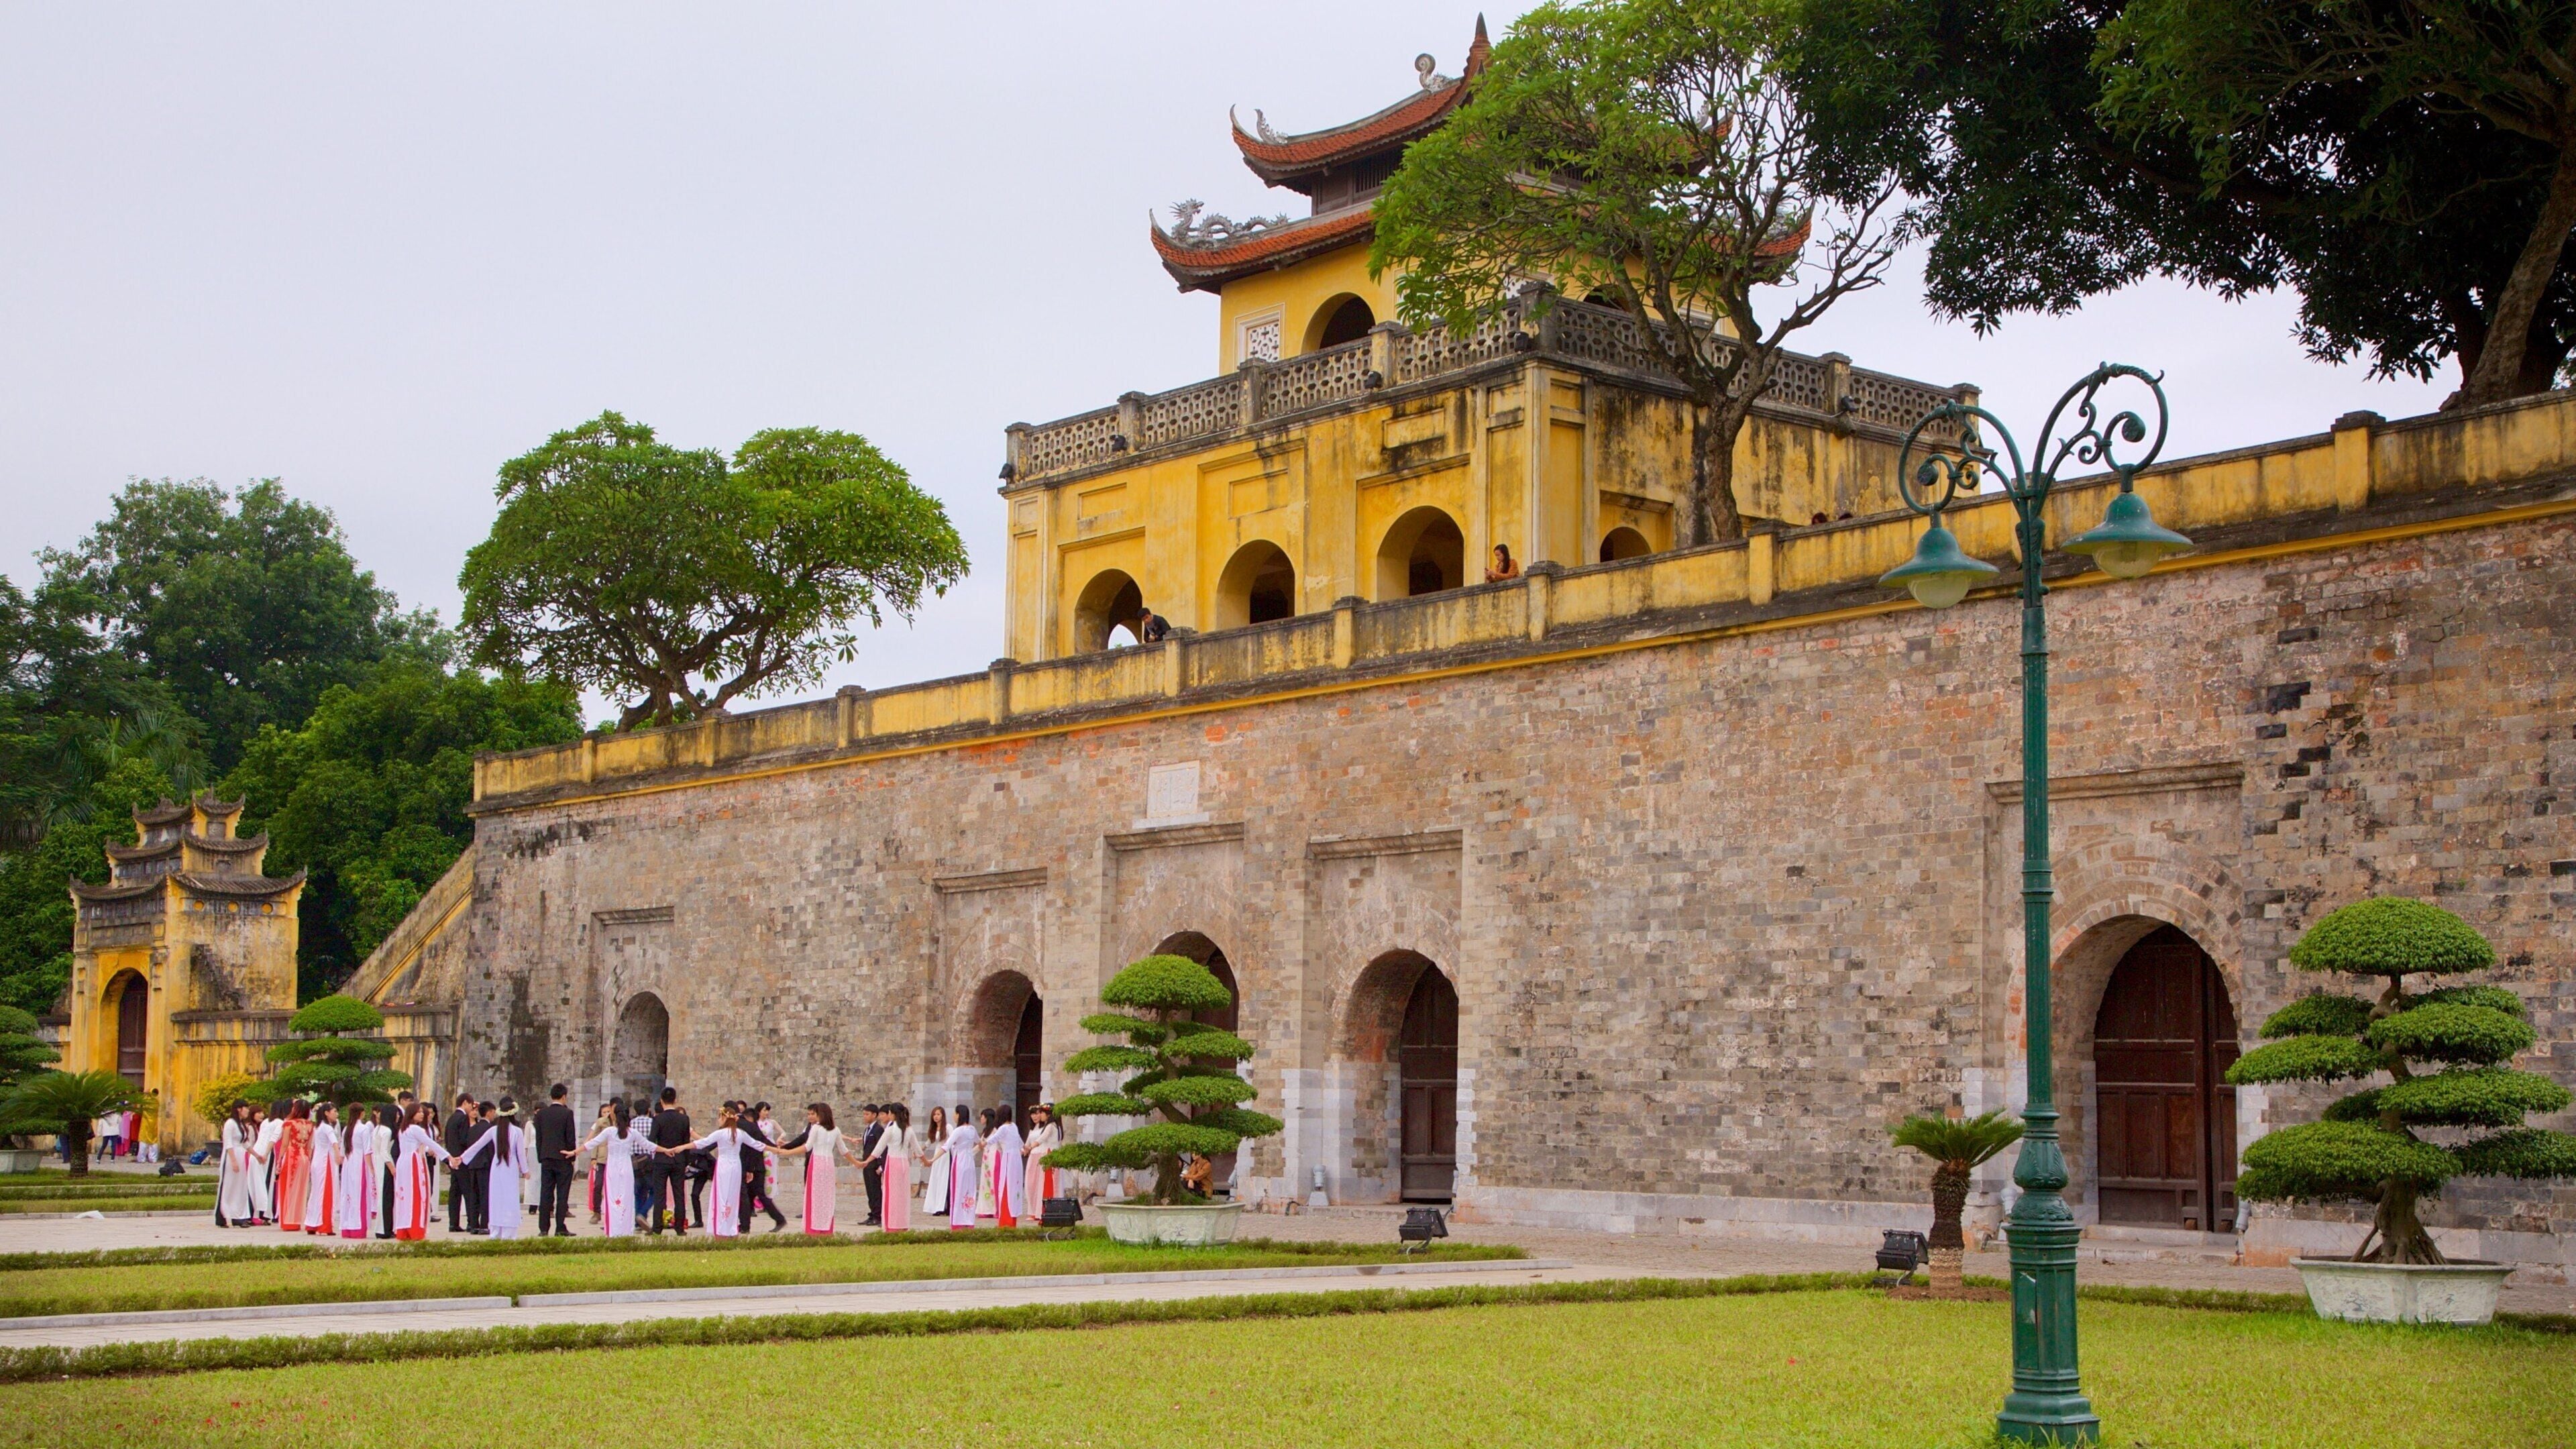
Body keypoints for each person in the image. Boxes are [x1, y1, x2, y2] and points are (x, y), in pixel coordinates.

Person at [662, 1103, 756, 1239]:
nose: (718, 1120)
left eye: (719, 1117)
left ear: (724, 1118)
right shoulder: (738, 1133)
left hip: (725, 1166)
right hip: (735, 1166)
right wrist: (777, 1150)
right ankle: (730, 1227)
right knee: (732, 1196)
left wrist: (682, 1147)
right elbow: (757, 1144)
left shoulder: (726, 1133)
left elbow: (703, 1143)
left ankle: (725, 1226)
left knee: (727, 1196)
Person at [765, 1103, 846, 1235]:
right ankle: (824, 1227)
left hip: (816, 1163)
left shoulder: (817, 1128)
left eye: (814, 1114)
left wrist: (787, 1152)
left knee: (815, 1195)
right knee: (825, 1195)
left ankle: (814, 1227)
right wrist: (858, 1163)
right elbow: (844, 1150)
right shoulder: (832, 1129)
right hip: (828, 1164)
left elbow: (806, 1146)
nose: (811, 1116)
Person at [458, 1097, 531, 1240]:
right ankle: (509, 1232)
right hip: (510, 1168)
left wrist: (462, 1158)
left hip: (496, 1168)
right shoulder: (516, 1132)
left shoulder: (494, 1130)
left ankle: (496, 1230)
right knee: (510, 1198)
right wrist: (525, 1170)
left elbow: (477, 1146)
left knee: (496, 1198)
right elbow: (521, 1154)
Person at [392, 1103, 455, 1241]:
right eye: (419, 1112)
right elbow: (431, 1143)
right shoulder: (416, 1129)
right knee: (417, 1195)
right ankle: (416, 1229)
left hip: (403, 1162)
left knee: (405, 1196)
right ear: (411, 1114)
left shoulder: (403, 1129)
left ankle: (404, 1230)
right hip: (413, 1162)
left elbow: (424, 1146)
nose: (422, 1114)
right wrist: (449, 1157)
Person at [580, 1099, 637, 1237]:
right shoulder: (602, 1123)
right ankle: (598, 1212)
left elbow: (647, 1144)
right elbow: (593, 1141)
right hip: (603, 1158)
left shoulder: (628, 1131)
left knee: (624, 1194)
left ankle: (622, 1222)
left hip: (619, 1163)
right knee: (599, 1186)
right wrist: (591, 1156)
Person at [532, 1083, 578, 1238]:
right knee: (562, 1194)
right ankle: (560, 1227)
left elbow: (539, 1139)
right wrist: (572, 1156)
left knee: (546, 1193)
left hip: (546, 1158)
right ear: (564, 1096)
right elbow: (570, 1137)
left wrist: (541, 1156)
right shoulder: (567, 1114)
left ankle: (543, 1228)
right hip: (563, 1157)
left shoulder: (541, 1115)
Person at [646, 1086, 694, 1234]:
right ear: (675, 1100)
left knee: (660, 1194)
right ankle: (680, 1228)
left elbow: (651, 1141)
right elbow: (686, 1142)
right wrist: (686, 1162)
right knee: (679, 1194)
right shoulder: (684, 1119)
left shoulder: (658, 1119)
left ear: (661, 1101)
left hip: (662, 1159)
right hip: (679, 1159)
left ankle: (657, 1227)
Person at [739, 1102, 787, 1232]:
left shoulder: (752, 1128)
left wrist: (777, 1149)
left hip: (756, 1167)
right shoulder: (754, 1127)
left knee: (759, 1195)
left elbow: (764, 1142)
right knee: (748, 1196)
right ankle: (744, 1226)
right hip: (754, 1166)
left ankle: (779, 1219)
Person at [869, 1103, 913, 1232]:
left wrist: (866, 1161)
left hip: (893, 1164)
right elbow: (917, 1149)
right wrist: (927, 1161)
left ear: (893, 1114)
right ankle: (903, 1224)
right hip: (905, 1164)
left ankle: (892, 1225)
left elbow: (878, 1149)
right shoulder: (909, 1129)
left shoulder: (891, 1130)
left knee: (891, 1195)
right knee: (903, 1196)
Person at [335, 1102, 376, 1240]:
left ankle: (347, 1228)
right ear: (362, 1113)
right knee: (360, 1195)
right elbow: (368, 1151)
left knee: (348, 1194)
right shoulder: (363, 1129)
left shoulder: (347, 1129)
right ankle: (358, 1228)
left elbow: (342, 1152)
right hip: (360, 1163)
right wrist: (372, 1169)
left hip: (348, 1163)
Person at [443, 1091, 482, 1235]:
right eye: (470, 1105)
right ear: (465, 1103)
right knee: (469, 1191)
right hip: (462, 1161)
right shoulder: (463, 1119)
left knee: (455, 1192)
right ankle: (472, 1223)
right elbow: (464, 1140)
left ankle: (453, 1223)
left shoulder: (452, 1119)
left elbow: (448, 1139)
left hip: (453, 1160)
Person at [215, 1100, 256, 1227]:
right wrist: (233, 1161)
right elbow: (228, 1143)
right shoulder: (230, 1123)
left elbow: (245, 1143)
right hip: (231, 1156)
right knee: (229, 1186)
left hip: (241, 1155)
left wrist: (257, 1155)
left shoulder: (241, 1125)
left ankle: (239, 1215)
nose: (248, 1111)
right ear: (239, 1109)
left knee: (240, 1187)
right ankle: (224, 1215)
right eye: (246, 1108)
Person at [275, 1100, 314, 1233]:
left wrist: (279, 1160)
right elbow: (310, 1147)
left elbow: (285, 1144)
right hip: (305, 1158)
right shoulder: (310, 1125)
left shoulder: (289, 1124)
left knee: (288, 1188)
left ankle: (288, 1221)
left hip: (292, 1157)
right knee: (301, 1190)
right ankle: (297, 1220)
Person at [304, 1102, 341, 1236]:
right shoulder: (327, 1128)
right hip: (326, 1162)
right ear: (326, 1113)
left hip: (317, 1161)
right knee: (326, 1193)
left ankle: (312, 1223)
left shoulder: (318, 1127)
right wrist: (338, 1156)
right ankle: (324, 1225)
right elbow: (335, 1143)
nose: (336, 1114)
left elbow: (311, 1146)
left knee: (315, 1193)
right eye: (334, 1111)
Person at [986, 1106, 1024, 1228]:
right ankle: (1012, 1219)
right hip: (1017, 1158)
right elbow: (1019, 1141)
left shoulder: (1003, 1128)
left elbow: (993, 1139)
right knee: (1014, 1187)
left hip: (1008, 1158)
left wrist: (983, 1144)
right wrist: (1024, 1148)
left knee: (1006, 1186)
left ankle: (1006, 1221)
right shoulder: (1014, 1126)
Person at [1022, 1104, 1061, 1212]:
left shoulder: (1050, 1126)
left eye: (1042, 1113)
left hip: (1048, 1155)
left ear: (1048, 1115)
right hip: (1046, 1155)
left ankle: (1046, 1210)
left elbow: (1041, 1140)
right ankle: (1038, 1210)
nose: (1040, 1116)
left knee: (1048, 1184)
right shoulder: (1053, 1126)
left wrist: (1030, 1147)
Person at [946, 1106, 979, 1230]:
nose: (954, 1116)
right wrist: (971, 1152)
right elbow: (980, 1143)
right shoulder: (972, 1129)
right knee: (969, 1190)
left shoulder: (959, 1130)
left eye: (955, 1114)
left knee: (958, 1190)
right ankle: (968, 1221)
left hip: (959, 1162)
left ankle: (957, 1222)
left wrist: (932, 1160)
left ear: (959, 1114)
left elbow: (946, 1146)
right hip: (969, 1162)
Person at [918, 1107, 951, 1222]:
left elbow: (952, 1141)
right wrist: (919, 1151)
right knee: (936, 1179)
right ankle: (935, 1206)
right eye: (934, 1114)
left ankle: (944, 1206)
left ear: (943, 1115)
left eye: (938, 1114)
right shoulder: (934, 1129)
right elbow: (929, 1142)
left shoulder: (948, 1127)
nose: (936, 1116)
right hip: (937, 1154)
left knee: (943, 1180)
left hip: (945, 1155)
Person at [858, 1103, 886, 1226]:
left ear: (875, 1115)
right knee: (870, 1191)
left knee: (876, 1191)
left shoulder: (878, 1130)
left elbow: (882, 1148)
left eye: (867, 1114)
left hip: (874, 1165)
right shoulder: (868, 1129)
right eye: (864, 1114)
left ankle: (878, 1215)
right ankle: (872, 1213)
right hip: (867, 1165)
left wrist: (881, 1166)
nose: (865, 1116)